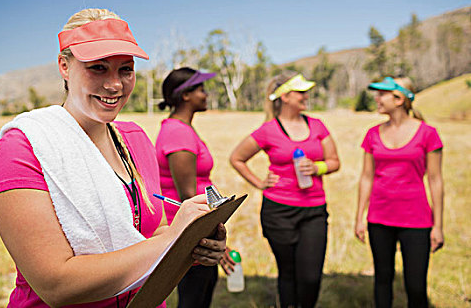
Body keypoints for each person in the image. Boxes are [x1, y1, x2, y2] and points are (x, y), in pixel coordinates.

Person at [0, 8, 227, 308]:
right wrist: (172, 241)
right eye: (98, 68)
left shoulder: (134, 139)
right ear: (63, 66)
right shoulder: (24, 147)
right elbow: (56, 286)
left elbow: (151, 233)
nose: (115, 85)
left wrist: (193, 242)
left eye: (126, 69)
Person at [229, 73, 340, 308]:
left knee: (310, 277)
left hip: (314, 211)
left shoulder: (317, 126)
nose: (306, 96)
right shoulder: (268, 130)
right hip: (278, 212)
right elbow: (237, 158)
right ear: (286, 97)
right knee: (288, 272)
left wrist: (318, 167)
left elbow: (334, 161)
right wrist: (259, 183)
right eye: (301, 92)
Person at [355, 76, 444, 308]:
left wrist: (438, 225)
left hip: (416, 220)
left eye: (382, 94)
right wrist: (359, 218)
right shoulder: (372, 134)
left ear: (399, 98)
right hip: (379, 218)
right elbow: (366, 177)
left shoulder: (428, 134)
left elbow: (435, 179)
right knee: (382, 281)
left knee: (415, 286)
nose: (377, 98)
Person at [155, 67, 231, 308]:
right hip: (192, 234)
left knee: (201, 293)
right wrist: (212, 237)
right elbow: (189, 195)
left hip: (199, 229)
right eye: (200, 89)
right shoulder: (178, 133)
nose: (205, 94)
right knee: (194, 298)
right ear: (185, 95)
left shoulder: (182, 129)